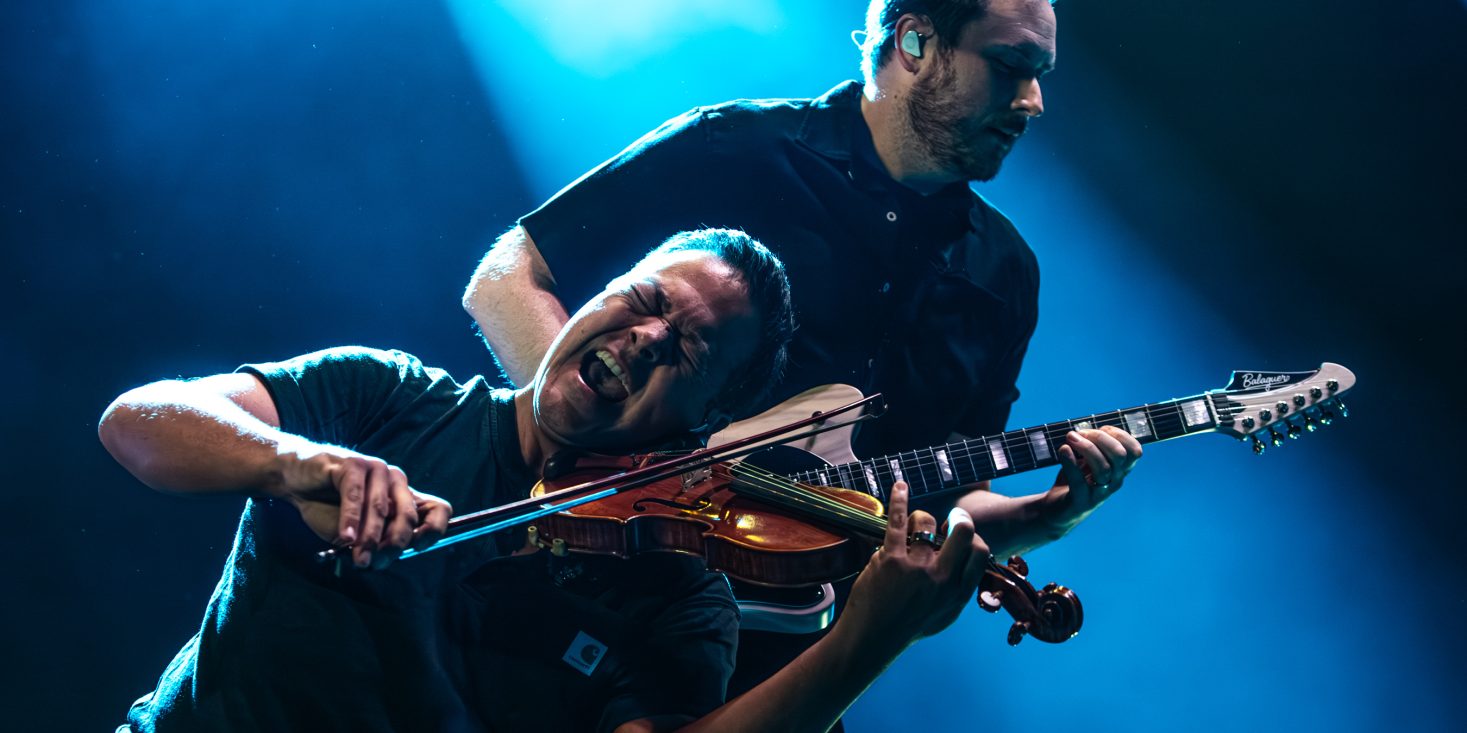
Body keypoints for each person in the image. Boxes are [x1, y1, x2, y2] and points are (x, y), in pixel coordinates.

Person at [463, 0, 1143, 704]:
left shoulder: (1004, 274)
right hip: (564, 602)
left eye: (1041, 74)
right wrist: (599, 461)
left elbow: (942, 499)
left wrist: (1051, 513)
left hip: (773, 669)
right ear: (913, 40)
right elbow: (506, 277)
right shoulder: (736, 149)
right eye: (1009, 67)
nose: (1033, 102)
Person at [101, 229, 992, 733]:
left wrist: (867, 639)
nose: (643, 337)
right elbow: (139, 422)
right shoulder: (388, 399)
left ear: (705, 418)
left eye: (684, 349)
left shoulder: (677, 594)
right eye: (641, 300)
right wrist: (295, 458)